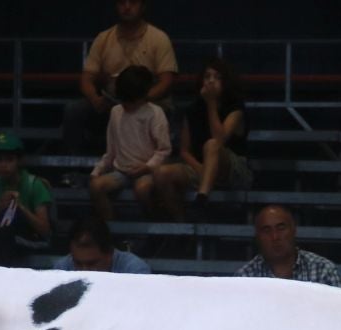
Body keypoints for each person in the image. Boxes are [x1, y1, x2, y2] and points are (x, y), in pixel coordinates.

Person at [64, 0, 177, 154]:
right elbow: (86, 78)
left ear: (143, 6)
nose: (127, 7)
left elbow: (166, 81)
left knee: (152, 112)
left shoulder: (159, 38)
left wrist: (141, 100)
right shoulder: (103, 38)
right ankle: (75, 162)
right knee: (74, 110)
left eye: (133, 2)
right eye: (122, 3)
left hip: (148, 103)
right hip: (112, 104)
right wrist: (95, 99)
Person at [149, 58, 249, 217]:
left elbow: (219, 140)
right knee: (161, 173)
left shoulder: (235, 108)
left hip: (232, 168)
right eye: (207, 76)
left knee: (211, 145)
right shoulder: (192, 110)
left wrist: (211, 104)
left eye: (217, 77)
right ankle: (182, 224)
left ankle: (202, 197)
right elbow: (184, 151)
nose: (211, 81)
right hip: (201, 167)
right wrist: (201, 169)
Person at [88, 65, 170, 226]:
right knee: (96, 186)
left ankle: (156, 224)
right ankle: (110, 228)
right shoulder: (116, 112)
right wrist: (97, 171)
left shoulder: (155, 113)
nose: (126, 104)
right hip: (121, 171)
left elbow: (163, 150)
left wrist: (147, 167)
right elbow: (111, 151)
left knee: (142, 189)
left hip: (146, 171)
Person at [0, 132, 55, 267]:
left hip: (32, 238)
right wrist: (0, 207)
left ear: (19, 161)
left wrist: (20, 207)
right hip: (1, 237)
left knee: (5, 231)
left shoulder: (34, 185)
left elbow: (44, 229)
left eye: (9, 160)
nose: (3, 165)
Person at [238, 204, 341, 286]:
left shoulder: (323, 270)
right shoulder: (245, 277)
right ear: (257, 236)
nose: (275, 236)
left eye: (281, 228)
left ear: (294, 230)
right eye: (266, 230)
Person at [53, 216, 151, 273]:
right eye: (77, 263)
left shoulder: (134, 271)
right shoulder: (61, 269)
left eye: (91, 264)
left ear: (110, 253)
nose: (84, 272)